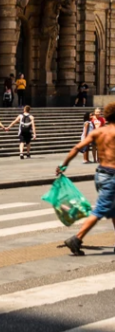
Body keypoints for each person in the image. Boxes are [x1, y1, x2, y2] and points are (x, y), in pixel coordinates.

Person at [57, 101, 115, 255]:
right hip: (112, 176)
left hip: (100, 174)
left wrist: (63, 166)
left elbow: (77, 148)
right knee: (101, 209)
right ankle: (76, 239)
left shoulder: (98, 132)